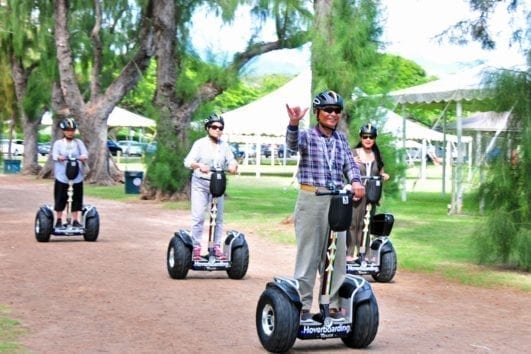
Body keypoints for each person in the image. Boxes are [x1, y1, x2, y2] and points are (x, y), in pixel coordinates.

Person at [285, 90, 365, 322]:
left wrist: (357, 181)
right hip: (312, 199)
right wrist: (293, 123)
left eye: (337, 111)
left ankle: (331, 305)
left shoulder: (341, 139)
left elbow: (350, 164)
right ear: (318, 112)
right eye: (328, 110)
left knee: (337, 254)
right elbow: (291, 146)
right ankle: (302, 307)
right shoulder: (308, 136)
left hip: (337, 200)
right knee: (309, 254)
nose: (333, 114)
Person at [184, 113, 239, 260]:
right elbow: (187, 161)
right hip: (200, 185)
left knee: (218, 218)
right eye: (214, 127)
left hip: (218, 185)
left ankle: (215, 247)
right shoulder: (200, 144)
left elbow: (231, 161)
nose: (218, 130)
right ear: (208, 128)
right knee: (198, 217)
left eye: (220, 128)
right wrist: (199, 165)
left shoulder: (224, 146)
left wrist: (233, 166)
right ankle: (196, 247)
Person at [347, 123, 390, 262]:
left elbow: (381, 172)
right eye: (365, 136)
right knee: (353, 223)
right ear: (361, 137)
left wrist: (384, 176)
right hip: (355, 194)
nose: (368, 139)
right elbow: (344, 170)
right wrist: (351, 162)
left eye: (371, 137)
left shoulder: (377, 155)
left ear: (375, 138)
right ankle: (349, 253)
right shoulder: (353, 153)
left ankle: (364, 253)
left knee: (367, 223)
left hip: (371, 194)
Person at [52, 117, 89, 228]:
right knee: (60, 197)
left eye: (72, 130)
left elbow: (85, 154)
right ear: (64, 131)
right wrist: (59, 157)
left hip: (76, 175)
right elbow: (54, 155)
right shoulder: (58, 143)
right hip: (62, 175)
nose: (70, 132)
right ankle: (58, 220)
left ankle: (75, 220)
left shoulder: (78, 143)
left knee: (76, 197)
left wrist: (82, 157)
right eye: (68, 130)